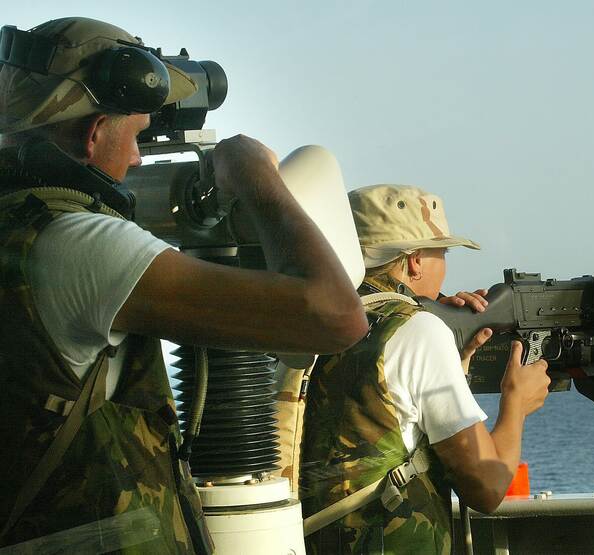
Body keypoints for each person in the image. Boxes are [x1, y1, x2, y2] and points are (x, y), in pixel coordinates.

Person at [0, 17, 367, 552]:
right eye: (134, 137)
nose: (137, 159)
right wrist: (254, 177)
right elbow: (334, 317)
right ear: (94, 132)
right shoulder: (76, 245)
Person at [300, 184, 551, 554]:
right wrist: (516, 403)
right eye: (442, 253)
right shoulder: (416, 331)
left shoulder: (311, 320)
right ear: (415, 259)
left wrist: (454, 358)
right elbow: (487, 487)